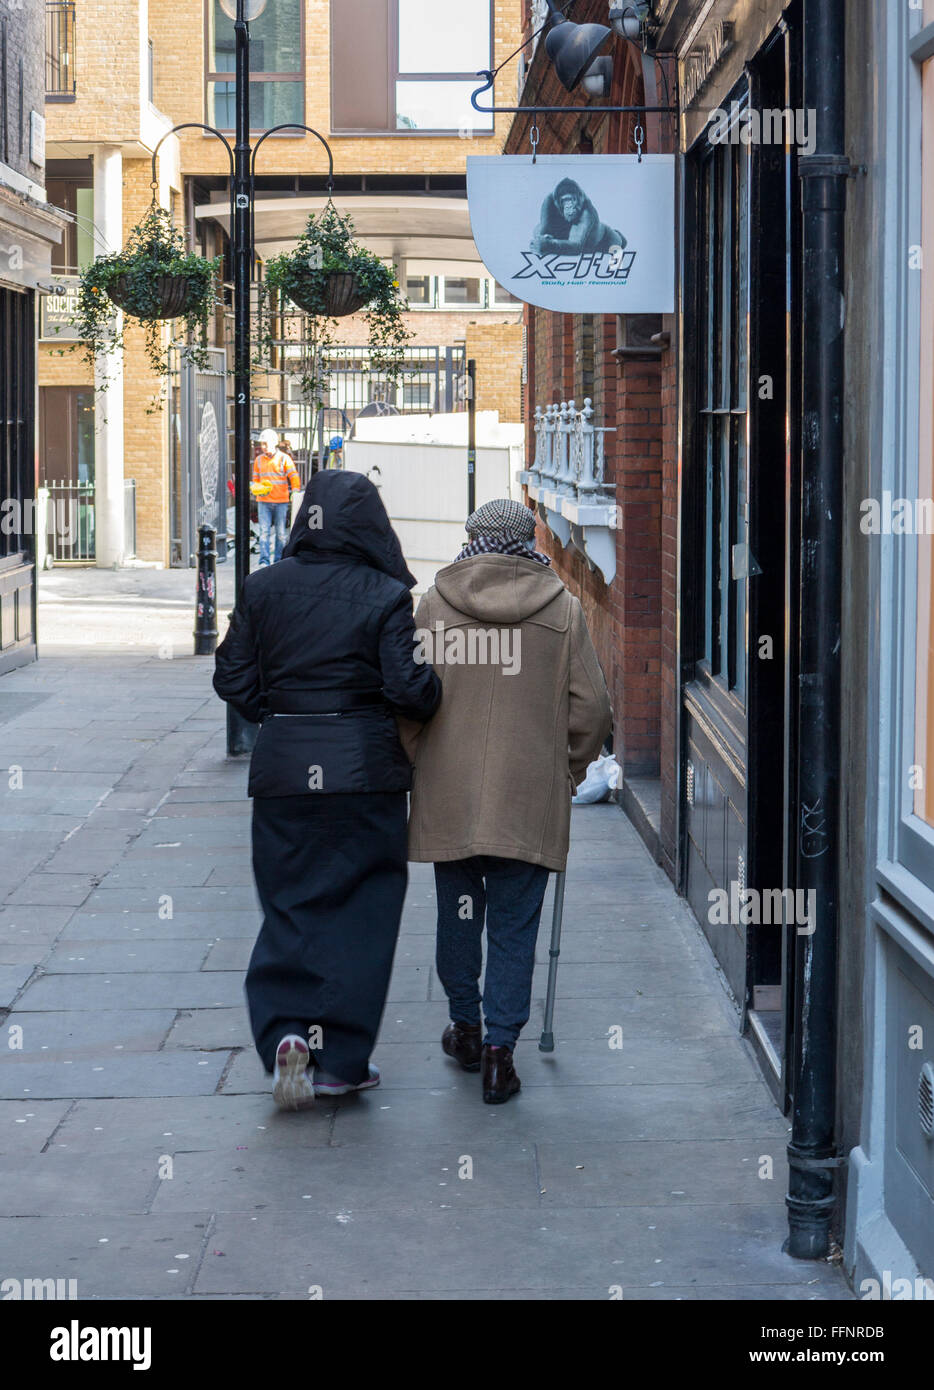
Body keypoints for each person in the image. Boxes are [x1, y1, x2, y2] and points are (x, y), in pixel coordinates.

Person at [213, 470, 441, 1110]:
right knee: (361, 913)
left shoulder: (263, 588)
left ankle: (287, 1032)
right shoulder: (386, 595)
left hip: (285, 771)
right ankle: (339, 1061)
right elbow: (410, 691)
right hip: (364, 775)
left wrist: (279, 717)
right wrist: (431, 693)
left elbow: (230, 676)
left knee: (289, 905)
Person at [400, 498, 611, 1104]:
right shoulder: (563, 610)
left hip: (451, 795)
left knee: (459, 918)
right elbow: (594, 712)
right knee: (517, 926)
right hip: (527, 798)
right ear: (530, 539)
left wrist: (418, 760)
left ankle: (465, 1029)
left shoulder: (436, 605)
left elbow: (410, 701)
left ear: (472, 539)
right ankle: (499, 1053)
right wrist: (565, 770)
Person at [251, 428, 301, 566]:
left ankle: (278, 561)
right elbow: (255, 480)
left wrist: (295, 491)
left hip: (280, 501)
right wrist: (256, 489)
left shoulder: (284, 459)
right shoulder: (258, 460)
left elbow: (293, 476)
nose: (263, 447)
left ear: (273, 443)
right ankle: (264, 561)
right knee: (264, 533)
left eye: (265, 444)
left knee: (280, 534)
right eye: (262, 444)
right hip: (264, 502)